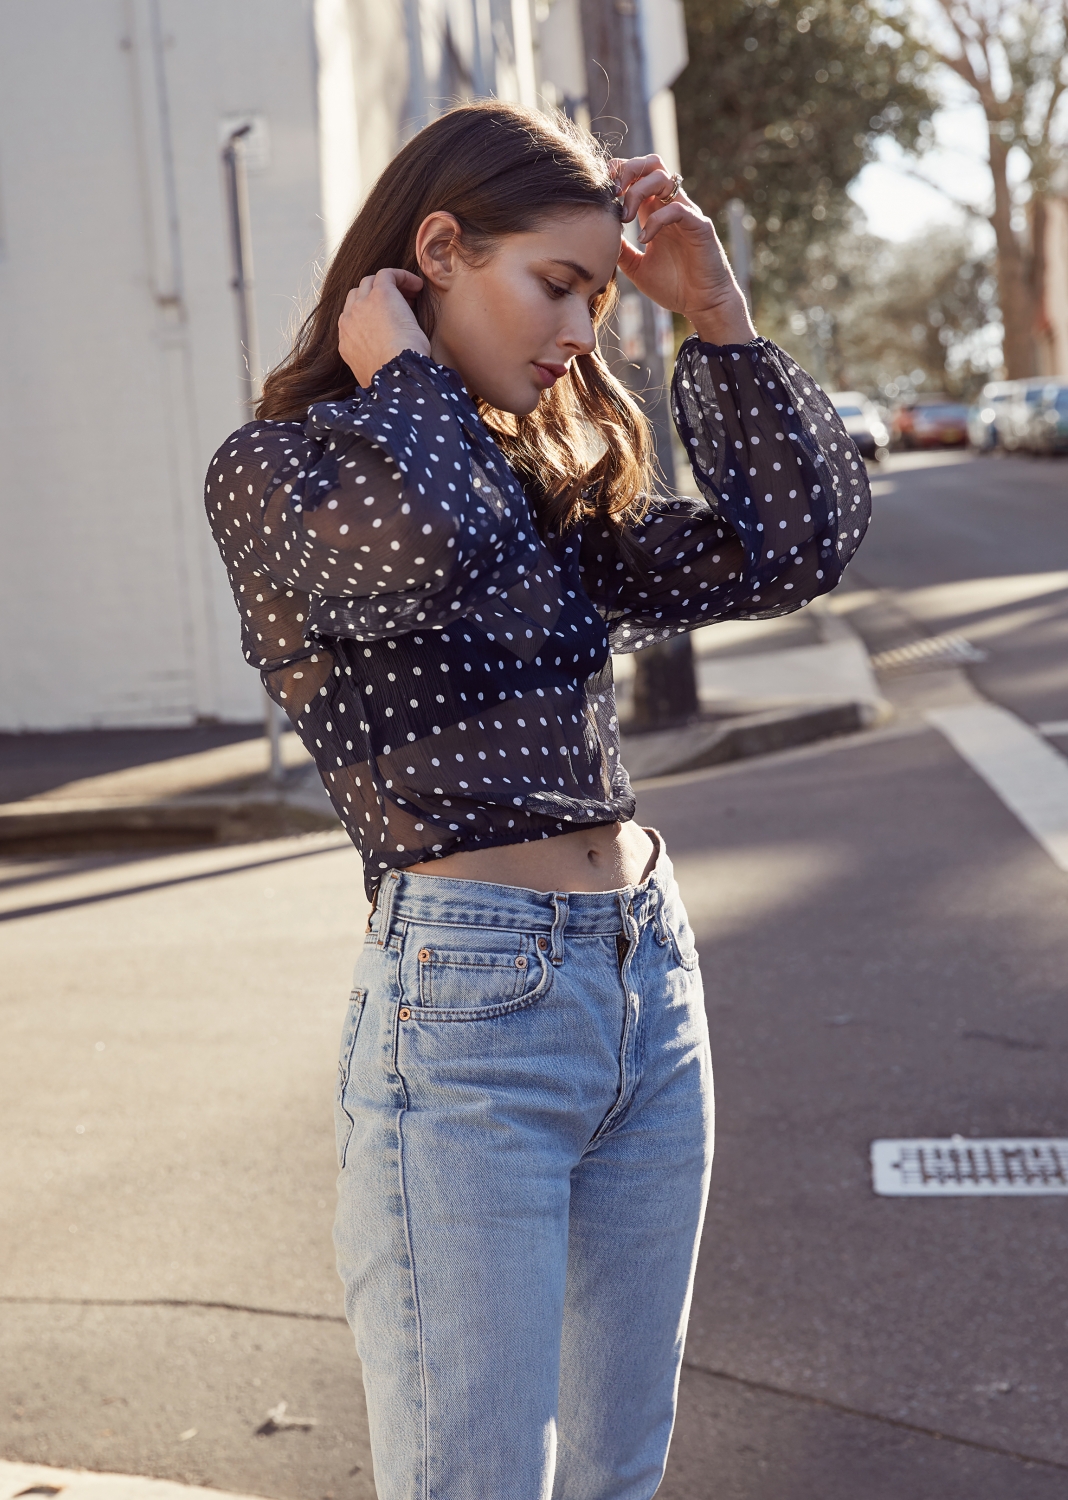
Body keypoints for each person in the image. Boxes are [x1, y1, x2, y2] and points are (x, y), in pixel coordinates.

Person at [205, 100, 870, 1500]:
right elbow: (447, 551)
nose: (581, 332)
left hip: (647, 980)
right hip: (468, 1015)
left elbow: (795, 541)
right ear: (435, 249)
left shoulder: (543, 481)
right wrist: (396, 380)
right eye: (557, 285)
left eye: (600, 298)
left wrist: (719, 317)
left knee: (615, 1477)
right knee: (479, 1483)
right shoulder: (277, 475)